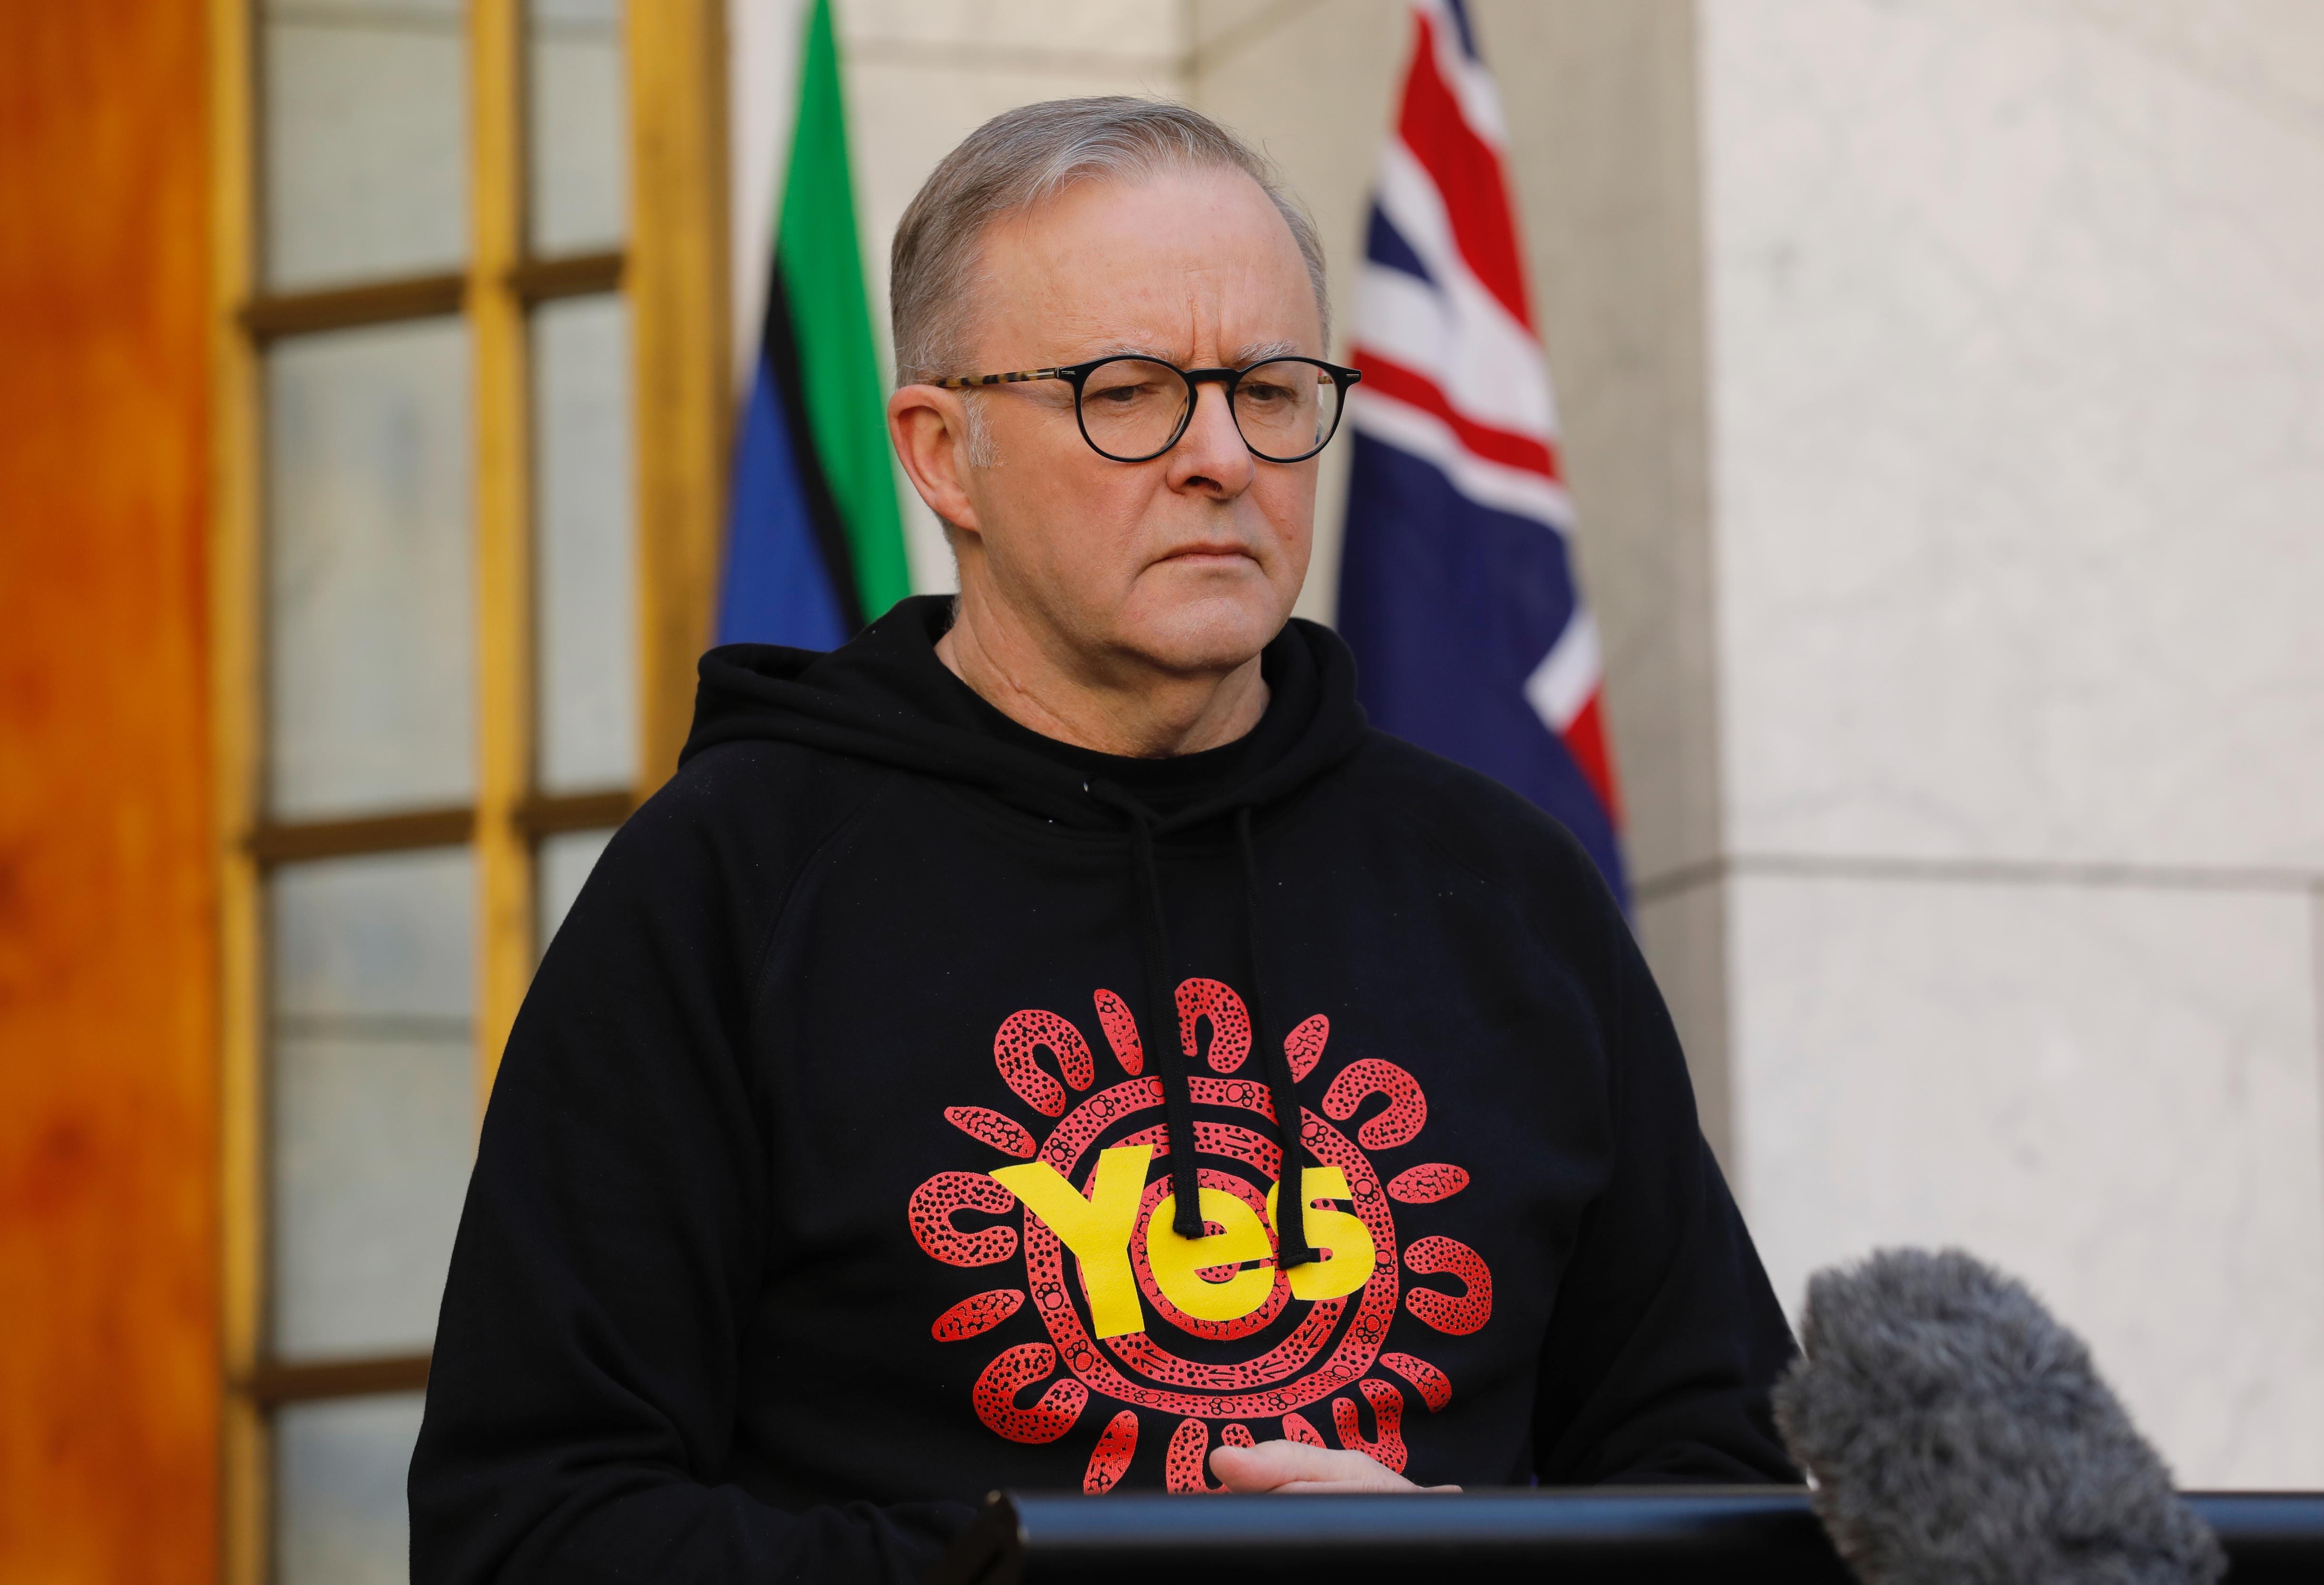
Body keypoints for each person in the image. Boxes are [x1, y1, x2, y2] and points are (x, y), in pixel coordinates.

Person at [410, 97, 1799, 1585]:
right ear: (944, 455)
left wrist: (1456, 1564)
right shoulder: (723, 891)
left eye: (1270, 387)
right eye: (1129, 390)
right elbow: (532, 1531)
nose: (1221, 455)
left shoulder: (1509, 892)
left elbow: (1734, 1492)